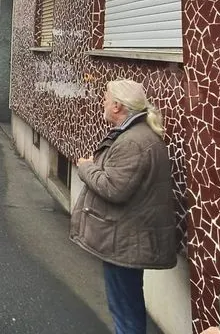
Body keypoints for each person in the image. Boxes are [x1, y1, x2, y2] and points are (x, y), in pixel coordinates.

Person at [71, 79, 177, 334]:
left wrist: (86, 166)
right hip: (128, 235)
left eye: (106, 98)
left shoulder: (133, 142)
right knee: (127, 306)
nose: (103, 102)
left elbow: (113, 188)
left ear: (117, 105)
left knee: (125, 313)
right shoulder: (137, 135)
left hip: (126, 240)